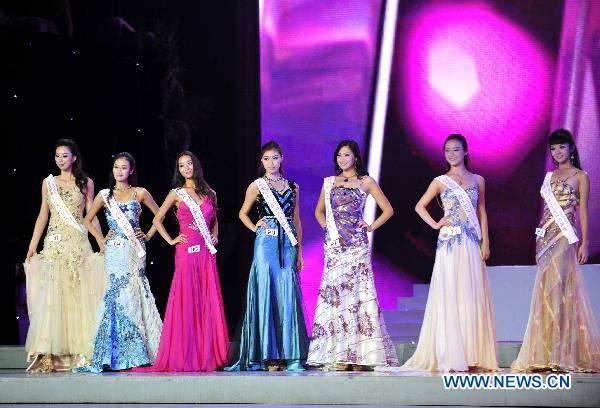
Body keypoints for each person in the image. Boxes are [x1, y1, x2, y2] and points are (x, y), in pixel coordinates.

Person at [400, 134, 498, 372]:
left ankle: (472, 355)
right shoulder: (440, 181)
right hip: (449, 244)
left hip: (471, 243)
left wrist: (486, 242)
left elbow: (482, 211)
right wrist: (436, 223)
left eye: (456, 150)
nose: (451, 154)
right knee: (450, 295)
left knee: (470, 295)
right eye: (447, 150)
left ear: (466, 151)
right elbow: (419, 206)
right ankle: (451, 356)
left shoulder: (478, 180)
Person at [512, 129, 600, 372]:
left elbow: (582, 212)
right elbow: (545, 214)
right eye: (553, 148)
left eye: (561, 147)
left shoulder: (581, 176)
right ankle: (544, 354)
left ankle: (562, 355)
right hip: (546, 240)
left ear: (571, 148)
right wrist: (538, 240)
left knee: (561, 293)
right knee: (544, 294)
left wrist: (585, 243)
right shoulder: (549, 177)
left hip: (565, 239)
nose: (557, 152)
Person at [307, 140, 398, 371]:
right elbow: (319, 211)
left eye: (346, 155)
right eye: (339, 155)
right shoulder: (329, 183)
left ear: (355, 157)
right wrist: (326, 227)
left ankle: (361, 355)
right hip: (335, 247)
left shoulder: (366, 181)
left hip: (357, 246)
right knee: (336, 298)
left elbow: (388, 209)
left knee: (358, 297)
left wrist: (370, 226)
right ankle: (340, 355)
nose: (342, 159)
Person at [138, 151, 229, 372]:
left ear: (196, 166)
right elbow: (157, 219)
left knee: (205, 299)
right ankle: (186, 354)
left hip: (205, 253)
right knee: (187, 298)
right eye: (181, 166)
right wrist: (171, 240)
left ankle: (206, 354)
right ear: (178, 170)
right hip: (186, 252)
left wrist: (215, 234)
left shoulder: (210, 193)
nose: (186, 168)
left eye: (189, 164)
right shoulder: (176, 193)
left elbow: (215, 220)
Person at [226, 141, 309, 372]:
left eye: (274, 158)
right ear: (261, 162)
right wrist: (255, 227)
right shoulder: (257, 186)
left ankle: (289, 355)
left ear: (281, 159)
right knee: (266, 291)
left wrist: (300, 250)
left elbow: (296, 220)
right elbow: (242, 213)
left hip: (288, 244)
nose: (270, 163)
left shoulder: (293, 186)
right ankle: (267, 355)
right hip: (265, 244)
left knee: (287, 294)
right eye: (266, 159)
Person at [24, 138, 105, 372]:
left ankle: (81, 352)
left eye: (65, 155)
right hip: (54, 245)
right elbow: (43, 215)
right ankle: (50, 354)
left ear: (74, 157)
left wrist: (100, 240)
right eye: (57, 155)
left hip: (78, 244)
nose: (61, 159)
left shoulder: (85, 182)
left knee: (79, 297)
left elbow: (91, 215)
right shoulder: (48, 183)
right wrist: (32, 244)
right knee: (52, 298)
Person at [79, 152, 163, 372]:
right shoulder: (105, 195)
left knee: (135, 293)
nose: (119, 171)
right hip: (114, 252)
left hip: (134, 249)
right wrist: (100, 238)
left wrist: (149, 234)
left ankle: (138, 351)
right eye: (116, 167)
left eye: (124, 167)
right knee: (116, 294)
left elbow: (159, 215)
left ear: (131, 170)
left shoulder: (140, 192)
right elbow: (87, 220)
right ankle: (115, 353)